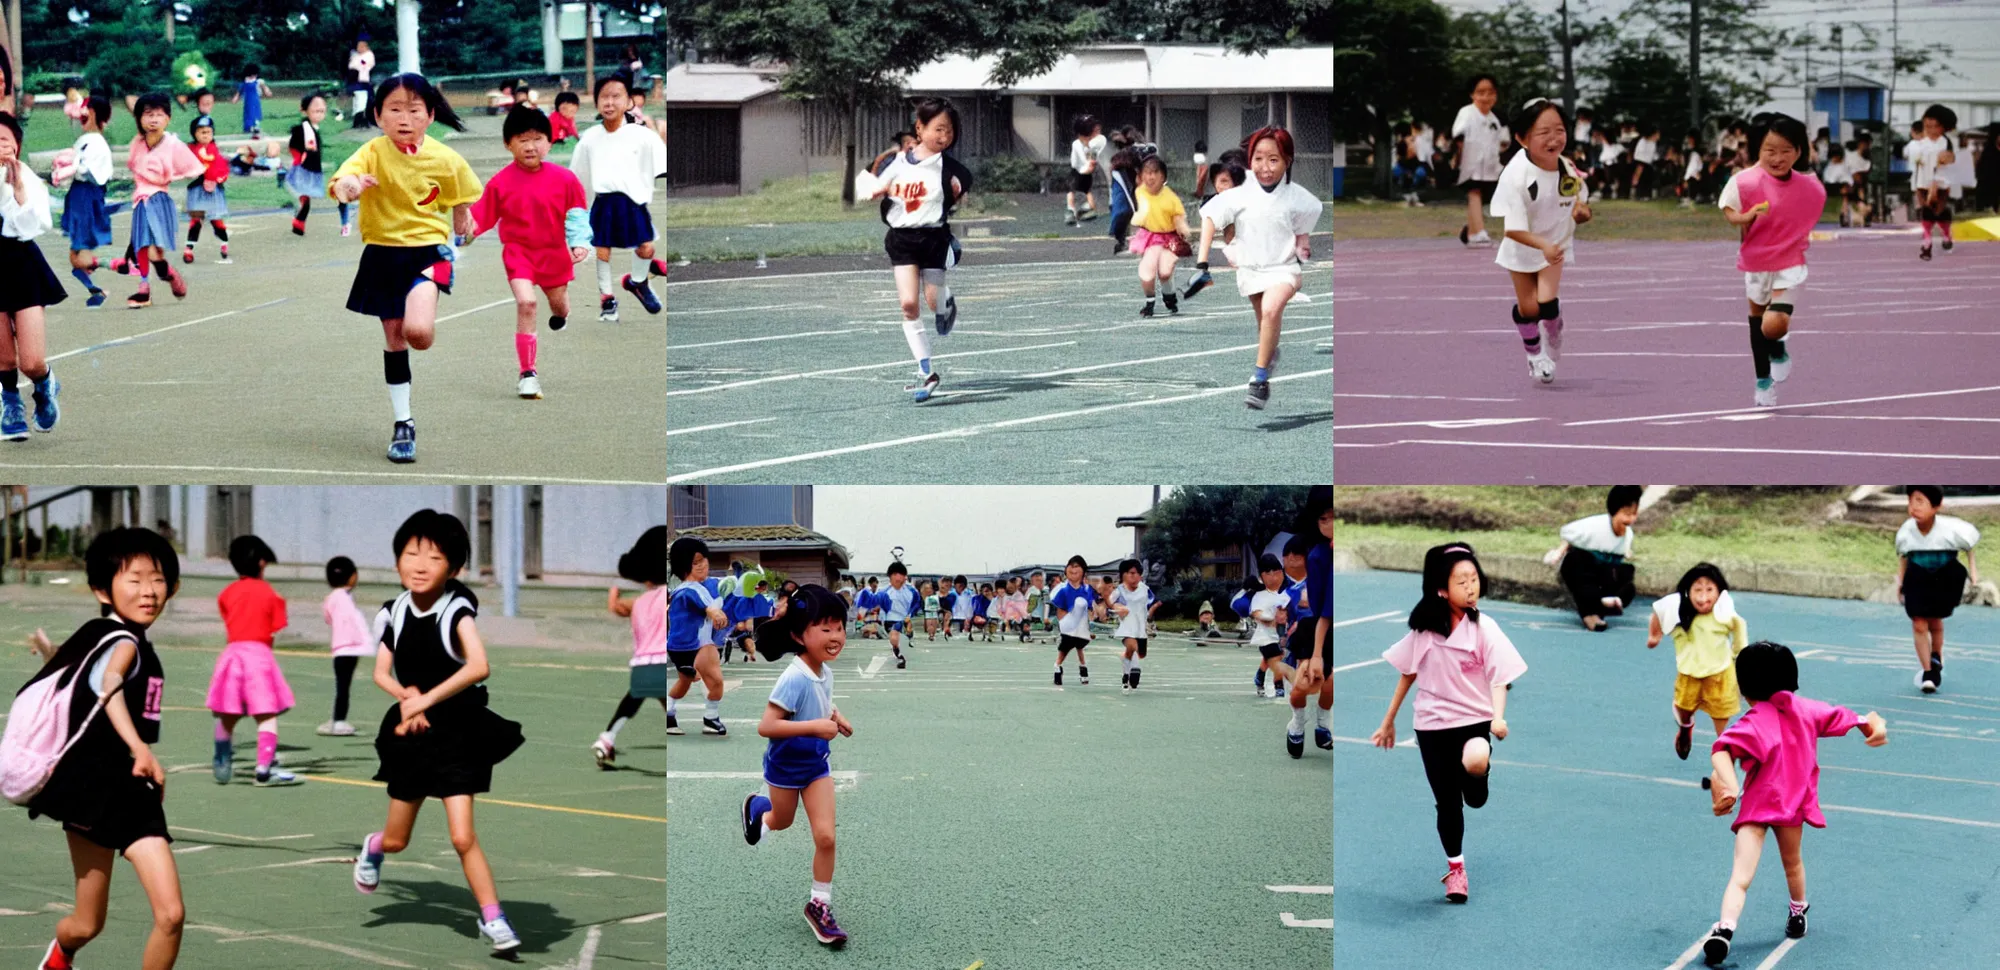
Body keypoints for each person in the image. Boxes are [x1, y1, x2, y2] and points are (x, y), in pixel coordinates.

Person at [351, 511, 524, 954]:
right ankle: (373, 847)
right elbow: (380, 673)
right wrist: (406, 694)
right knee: (397, 840)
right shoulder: (393, 613)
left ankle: (494, 918)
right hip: (412, 735)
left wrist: (424, 700)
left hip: (458, 732)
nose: (421, 563)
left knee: (462, 836)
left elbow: (479, 666)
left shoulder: (456, 611)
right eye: (411, 554)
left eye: (435, 556)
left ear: (455, 567)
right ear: (397, 562)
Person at [19, 528, 185, 970]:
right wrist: (141, 748)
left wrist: (54, 653)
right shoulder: (125, 642)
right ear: (101, 589)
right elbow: (107, 683)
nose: (149, 591)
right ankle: (61, 954)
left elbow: (93, 680)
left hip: (131, 794)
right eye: (134, 579)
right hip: (90, 793)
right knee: (87, 924)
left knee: (170, 915)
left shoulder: (103, 635)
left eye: (158, 578)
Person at [1697, 642, 1886, 965]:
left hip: (1756, 810)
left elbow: (1720, 749)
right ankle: (1798, 911)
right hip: (1792, 809)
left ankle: (1724, 930)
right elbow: (1844, 717)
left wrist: (1729, 785)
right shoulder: (1807, 710)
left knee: (1740, 876)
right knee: (1793, 864)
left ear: (1745, 689)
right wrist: (1869, 724)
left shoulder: (1753, 721)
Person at [331, 73, 483, 464]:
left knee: (418, 332)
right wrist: (349, 187)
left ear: (430, 115)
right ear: (378, 115)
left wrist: (463, 218)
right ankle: (404, 423)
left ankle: (425, 322)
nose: (404, 118)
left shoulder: (445, 158)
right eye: (394, 109)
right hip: (381, 254)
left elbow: (460, 195)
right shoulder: (372, 152)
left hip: (429, 252)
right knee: (395, 339)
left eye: (414, 110)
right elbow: (342, 181)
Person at [1371, 542, 1525, 905]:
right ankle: (1456, 871)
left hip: (1473, 721)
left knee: (1474, 764)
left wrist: (1498, 717)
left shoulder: (1485, 628)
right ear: (1442, 588)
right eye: (1462, 581)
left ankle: (1479, 777)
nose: (1471, 587)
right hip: (1431, 727)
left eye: (1474, 579)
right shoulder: (1425, 632)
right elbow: (1407, 673)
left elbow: (1500, 677)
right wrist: (1389, 720)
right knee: (1446, 804)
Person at [740, 585, 855, 947]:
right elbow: (767, 726)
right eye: (825, 629)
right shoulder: (793, 677)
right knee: (783, 820)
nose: (836, 636)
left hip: (816, 765)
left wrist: (837, 718)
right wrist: (814, 727)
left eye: (839, 627)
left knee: (826, 836)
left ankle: (819, 905)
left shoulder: (824, 672)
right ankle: (759, 809)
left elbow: (823, 706)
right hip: (786, 767)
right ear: (798, 635)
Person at [1184, 127, 1323, 409]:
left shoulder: (1300, 197)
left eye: (1274, 160)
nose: (1265, 167)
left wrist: (1302, 238)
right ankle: (1269, 357)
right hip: (1250, 270)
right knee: (1264, 326)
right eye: (1258, 159)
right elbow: (1210, 217)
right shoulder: (1241, 193)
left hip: (1284, 270)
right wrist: (1202, 262)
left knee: (1272, 309)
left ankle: (1259, 380)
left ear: (1287, 161)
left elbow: (1310, 214)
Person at [468, 105, 592, 401]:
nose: (530, 146)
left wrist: (579, 243)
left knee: (558, 307)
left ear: (549, 142)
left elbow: (576, 214)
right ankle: (528, 374)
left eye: (537, 138)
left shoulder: (565, 179)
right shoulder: (500, 182)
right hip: (518, 253)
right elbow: (479, 218)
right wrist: (462, 235)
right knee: (526, 303)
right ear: (508, 144)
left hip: (553, 254)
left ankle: (562, 312)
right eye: (522, 139)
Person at [855, 97, 972, 404]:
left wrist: (957, 193)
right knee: (908, 305)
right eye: (939, 129)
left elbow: (959, 189)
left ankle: (947, 298)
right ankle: (928, 374)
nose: (945, 137)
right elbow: (863, 185)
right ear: (920, 128)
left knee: (935, 304)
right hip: (902, 240)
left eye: (950, 131)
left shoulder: (950, 167)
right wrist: (874, 190)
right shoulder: (895, 160)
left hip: (933, 238)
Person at [1720, 114, 1822, 407]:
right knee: (1757, 322)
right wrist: (1747, 218)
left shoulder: (1803, 182)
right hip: (1756, 262)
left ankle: (1777, 346)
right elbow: (1732, 215)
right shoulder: (1745, 181)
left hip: (1788, 260)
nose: (1777, 156)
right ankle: (1763, 379)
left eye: (1785, 149)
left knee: (1773, 321)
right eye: (1769, 148)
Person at [1491, 98, 1591, 386]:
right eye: (1543, 132)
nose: (1553, 139)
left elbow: (1579, 202)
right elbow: (1513, 229)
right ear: (1522, 138)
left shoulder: (1567, 168)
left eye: (1559, 130)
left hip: (1555, 244)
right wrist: (1542, 246)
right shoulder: (1515, 175)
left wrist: (1583, 212)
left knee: (1546, 302)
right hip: (1522, 248)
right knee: (1529, 309)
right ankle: (1535, 356)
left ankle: (1554, 326)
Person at [571, 73, 668, 323]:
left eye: (616, 97)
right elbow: (576, 176)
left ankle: (637, 282)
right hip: (603, 203)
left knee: (646, 248)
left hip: (632, 203)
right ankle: (608, 300)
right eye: (604, 97)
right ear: (596, 103)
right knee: (602, 250)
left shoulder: (642, 135)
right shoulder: (589, 138)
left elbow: (662, 162)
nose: (610, 103)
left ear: (628, 103)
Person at [206, 535, 299, 787]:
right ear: (260, 562)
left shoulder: (226, 593)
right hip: (259, 657)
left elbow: (229, 618)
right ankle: (263, 768)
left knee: (227, 716)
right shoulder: (270, 593)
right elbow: (275, 626)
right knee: (266, 716)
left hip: (233, 655)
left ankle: (222, 758)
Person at [0, 110, 66, 442]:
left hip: (21, 263)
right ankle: (10, 405)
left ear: (17, 146)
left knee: (31, 360)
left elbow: (33, 227)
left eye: (3, 140)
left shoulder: (23, 177)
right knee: (3, 357)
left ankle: (44, 384)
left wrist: (19, 192)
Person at [1647, 563, 1747, 760]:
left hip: (1720, 675)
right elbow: (1658, 611)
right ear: (1688, 592)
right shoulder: (1678, 611)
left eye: (1709, 590)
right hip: (1689, 675)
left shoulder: (1725, 615)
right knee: (1684, 710)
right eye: (1697, 590)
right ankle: (1685, 728)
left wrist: (1741, 668)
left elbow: (1740, 635)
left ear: (1719, 591)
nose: (1703, 598)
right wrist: (1654, 636)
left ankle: (1724, 751)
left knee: (1721, 716)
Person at [119, 94, 203, 310]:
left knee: (156, 253)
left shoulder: (173, 144)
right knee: (141, 247)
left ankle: (170, 275)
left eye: (159, 115)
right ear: (139, 118)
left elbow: (194, 168)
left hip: (159, 199)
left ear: (168, 119)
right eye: (148, 114)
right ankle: (144, 288)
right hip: (140, 200)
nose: (154, 119)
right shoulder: (137, 143)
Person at [595, 526, 669, 768]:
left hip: (641, 664)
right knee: (667, 700)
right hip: (661, 662)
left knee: (634, 701)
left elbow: (616, 607)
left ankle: (607, 738)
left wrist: (613, 593)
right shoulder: (667, 597)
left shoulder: (640, 602)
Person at [1894, 486, 1979, 694]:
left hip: (1945, 575)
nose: (1914, 507)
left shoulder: (1954, 530)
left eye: (1920, 501)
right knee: (1919, 622)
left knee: (1935, 620)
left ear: (1936, 506)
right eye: (1911, 501)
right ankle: (1929, 672)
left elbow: (1969, 549)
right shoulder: (1906, 531)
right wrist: (1900, 583)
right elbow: (1904, 557)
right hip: (1918, 575)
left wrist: (1974, 574)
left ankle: (1936, 655)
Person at [1545, 485, 1642, 631]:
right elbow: (1568, 537)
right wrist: (1558, 552)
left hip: (1603, 574)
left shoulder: (1628, 534)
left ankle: (1605, 603)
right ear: (1614, 511)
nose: (1631, 519)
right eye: (1626, 514)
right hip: (1582, 568)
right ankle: (1592, 612)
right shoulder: (1594, 526)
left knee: (1627, 575)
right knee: (1579, 562)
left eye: (1634, 514)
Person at [665, 537, 730, 736]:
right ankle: (710, 718)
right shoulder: (690, 589)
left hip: (687, 645)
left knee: (686, 683)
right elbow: (705, 604)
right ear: (685, 566)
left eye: (704, 560)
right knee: (715, 681)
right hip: (692, 645)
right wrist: (715, 612)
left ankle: (669, 714)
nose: (704, 565)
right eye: (696, 562)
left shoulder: (696, 587)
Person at [53, 96, 113, 308]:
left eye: (88, 109)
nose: (83, 113)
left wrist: (71, 166)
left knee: (80, 255)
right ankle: (96, 291)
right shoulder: (86, 140)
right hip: (78, 195)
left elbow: (92, 173)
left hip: (87, 197)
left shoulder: (97, 142)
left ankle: (118, 264)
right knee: (74, 257)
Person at [1130, 155, 1193, 318]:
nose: (1150, 177)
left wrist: (1183, 230)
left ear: (1163, 176)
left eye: (1154, 173)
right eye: (1147, 173)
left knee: (1165, 272)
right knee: (1147, 272)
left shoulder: (1170, 197)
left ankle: (1169, 296)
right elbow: (1143, 209)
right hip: (1151, 237)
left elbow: (1178, 218)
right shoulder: (1140, 192)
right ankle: (1150, 303)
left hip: (1170, 238)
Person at [318, 555, 373, 737]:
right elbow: (355, 621)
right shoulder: (346, 598)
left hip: (339, 649)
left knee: (341, 685)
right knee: (344, 686)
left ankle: (336, 719)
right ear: (352, 577)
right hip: (350, 647)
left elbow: (328, 618)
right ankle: (339, 721)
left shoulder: (331, 598)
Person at [1452, 75, 1505, 246]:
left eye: (1490, 93)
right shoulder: (1466, 112)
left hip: (1489, 166)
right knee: (1474, 193)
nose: (1486, 97)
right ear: (1472, 95)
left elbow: (1501, 143)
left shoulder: (1494, 119)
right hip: (1470, 163)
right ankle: (1480, 232)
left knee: (1478, 196)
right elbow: (1458, 136)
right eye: (1481, 92)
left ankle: (1470, 232)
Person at [285, 93, 347, 236]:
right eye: (315, 111)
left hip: (312, 168)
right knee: (305, 197)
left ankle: (298, 220)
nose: (319, 115)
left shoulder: (314, 129)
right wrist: (300, 157)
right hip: (303, 168)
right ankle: (298, 222)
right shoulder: (302, 129)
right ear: (305, 111)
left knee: (308, 196)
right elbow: (293, 145)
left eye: (322, 111)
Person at [1906, 105, 1957, 260]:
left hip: (1941, 183)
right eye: (1927, 126)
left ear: (1943, 127)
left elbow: (1945, 165)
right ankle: (1927, 242)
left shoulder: (1945, 143)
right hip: (1922, 182)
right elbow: (1915, 162)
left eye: (1934, 126)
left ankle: (1946, 234)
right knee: (1926, 211)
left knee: (1939, 212)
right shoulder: (1920, 144)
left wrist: (1934, 188)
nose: (1930, 130)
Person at [181, 115, 232, 265]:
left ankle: (224, 243)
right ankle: (188, 250)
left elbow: (222, 168)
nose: (205, 135)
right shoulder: (190, 150)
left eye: (208, 132)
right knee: (196, 221)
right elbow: (184, 165)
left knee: (217, 222)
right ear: (194, 134)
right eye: (201, 132)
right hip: (197, 189)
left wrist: (218, 178)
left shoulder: (214, 151)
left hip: (213, 191)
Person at [1049, 556, 1097, 686]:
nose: (1074, 569)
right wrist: (1064, 625)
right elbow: (1060, 609)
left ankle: (1083, 667)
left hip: (1082, 624)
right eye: (1071, 566)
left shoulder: (1087, 589)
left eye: (1077, 567)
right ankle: (1057, 667)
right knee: (1066, 647)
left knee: (1080, 646)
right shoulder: (1062, 589)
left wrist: (1091, 625)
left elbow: (1092, 609)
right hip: (1068, 623)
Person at [877, 561, 919, 668]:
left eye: (900, 574)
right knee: (894, 640)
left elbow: (917, 604)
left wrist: (910, 615)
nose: (897, 578)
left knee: (896, 636)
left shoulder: (911, 591)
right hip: (888, 620)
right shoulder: (884, 591)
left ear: (904, 577)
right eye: (894, 574)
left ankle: (901, 657)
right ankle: (898, 650)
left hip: (902, 620)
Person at [1065, 115, 1105, 225]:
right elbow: (1086, 160)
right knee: (1079, 190)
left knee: (1079, 191)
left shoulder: (1090, 144)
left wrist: (1089, 166)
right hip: (1081, 171)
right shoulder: (1080, 144)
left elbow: (1088, 160)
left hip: (1082, 172)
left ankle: (1079, 210)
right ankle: (1078, 210)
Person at [232, 66, 272, 136]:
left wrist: (267, 92)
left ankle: (256, 128)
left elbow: (265, 88)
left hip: (255, 101)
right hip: (247, 102)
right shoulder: (245, 82)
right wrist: (235, 98)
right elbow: (239, 92)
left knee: (255, 114)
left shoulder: (258, 81)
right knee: (248, 115)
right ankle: (247, 128)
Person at [348, 35, 376, 128]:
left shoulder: (368, 55)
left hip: (363, 80)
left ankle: (362, 118)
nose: (359, 48)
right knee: (356, 99)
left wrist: (358, 65)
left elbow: (364, 65)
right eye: (358, 46)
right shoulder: (355, 55)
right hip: (354, 79)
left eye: (361, 46)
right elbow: (351, 65)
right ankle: (357, 118)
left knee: (362, 99)